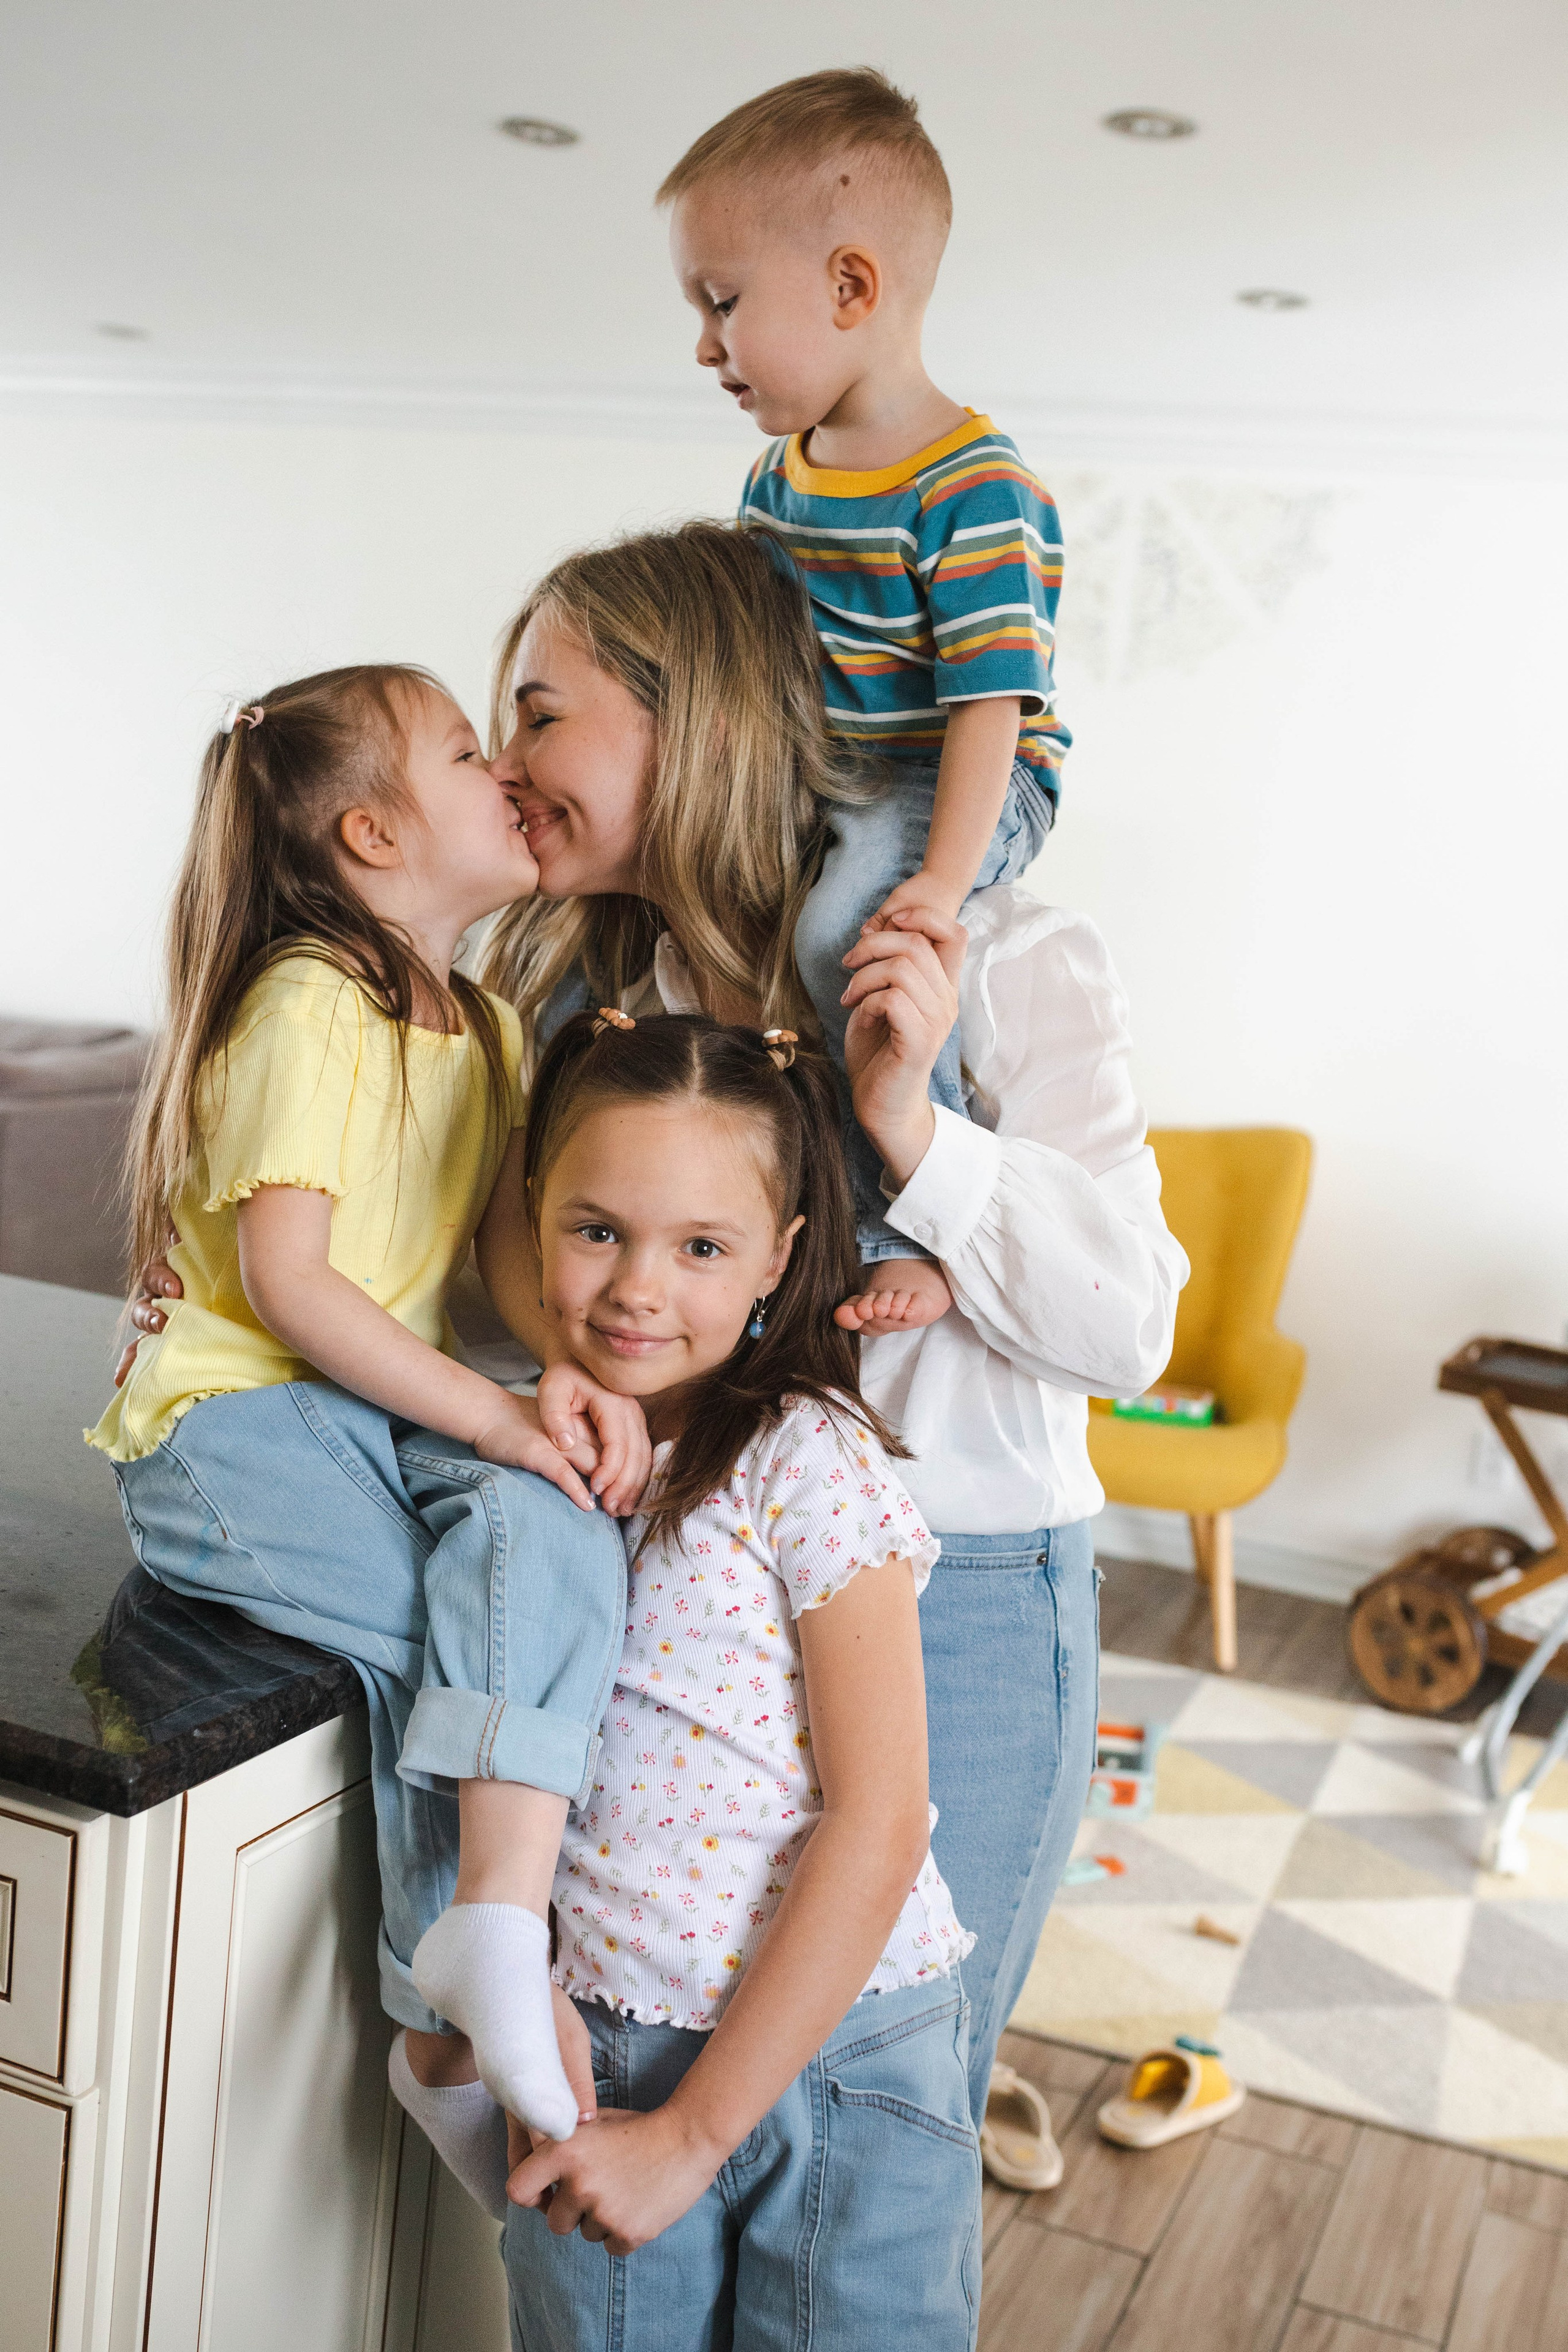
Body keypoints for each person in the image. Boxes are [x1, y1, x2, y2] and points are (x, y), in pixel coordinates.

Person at [126, 520, 1185, 2207]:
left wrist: (909, 1130)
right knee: (631, 2128)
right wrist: (235, 1272)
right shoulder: (573, 1004)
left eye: (535, 715)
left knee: (875, 2137)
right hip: (663, 1591)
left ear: (686, 719)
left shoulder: (995, 953)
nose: (513, 764)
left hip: (955, 1597)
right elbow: (482, 1300)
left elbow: (1135, 1325)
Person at [91, 664, 652, 2176]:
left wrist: (560, 1381)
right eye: (471, 753)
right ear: (373, 839)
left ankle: (460, 1989)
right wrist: (494, 1414)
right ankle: (461, 1981)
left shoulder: (484, 1022)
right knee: (430, 1623)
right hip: (229, 1426)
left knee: (552, 1536)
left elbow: (492, 1266)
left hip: (358, 1405)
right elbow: (286, 1284)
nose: (506, 772)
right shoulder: (307, 1000)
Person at [500, 1008, 979, 2343]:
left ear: (773, 1259)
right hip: (594, 2046)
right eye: (595, 1229)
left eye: (699, 1248)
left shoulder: (803, 1458)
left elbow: (880, 1821)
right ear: (534, 1213)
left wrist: (698, 2131)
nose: (637, 1287)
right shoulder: (515, 1449)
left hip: (834, 2049)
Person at [660, 69, 1071, 1344]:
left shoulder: (973, 487)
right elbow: (758, 660)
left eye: (722, 304)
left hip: (950, 775)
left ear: (849, 286)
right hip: (826, 766)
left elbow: (988, 711)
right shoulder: (775, 481)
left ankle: (906, 1220)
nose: (702, 347)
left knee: (855, 927)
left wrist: (936, 893)